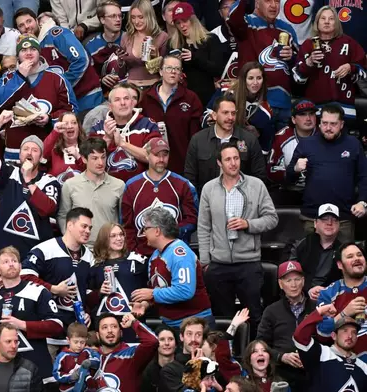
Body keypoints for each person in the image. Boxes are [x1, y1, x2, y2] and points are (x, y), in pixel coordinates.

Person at [198, 142, 278, 336]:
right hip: (218, 265)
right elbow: (203, 227)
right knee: (222, 316)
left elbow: (272, 219)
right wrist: (206, 262)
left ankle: (256, 354)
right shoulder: (209, 189)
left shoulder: (256, 185)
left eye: (236, 158)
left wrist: (248, 224)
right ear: (219, 162)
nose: (233, 163)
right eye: (228, 159)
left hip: (248, 263)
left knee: (253, 315)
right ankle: (225, 356)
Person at [0, 245, 64, 386]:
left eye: (14, 260)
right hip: (7, 374)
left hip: (38, 369)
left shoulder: (37, 291)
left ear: (20, 265)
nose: (11, 264)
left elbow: (56, 326)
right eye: (5, 262)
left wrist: (22, 325)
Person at [0, 113, 61, 261]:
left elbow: (47, 209)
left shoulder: (49, 181)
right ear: (20, 155)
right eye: (25, 149)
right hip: (1, 255)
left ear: (41, 158)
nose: (29, 152)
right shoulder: (9, 173)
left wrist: (29, 180)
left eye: (35, 150)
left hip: (31, 260)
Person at [286, 103, 367, 243]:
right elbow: (288, 178)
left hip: (343, 217)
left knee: (344, 261)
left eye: (333, 124)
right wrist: (295, 169)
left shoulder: (353, 144)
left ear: (341, 124)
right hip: (312, 217)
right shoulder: (307, 144)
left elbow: (364, 176)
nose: (328, 128)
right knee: (310, 261)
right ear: (319, 122)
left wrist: (363, 202)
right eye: (324, 123)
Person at [0, 33, 77, 161]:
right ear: (18, 55)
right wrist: (19, 77)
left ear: (39, 53)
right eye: (23, 50)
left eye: (33, 49)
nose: (29, 53)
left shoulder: (57, 79)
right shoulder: (7, 78)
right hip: (13, 153)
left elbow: (72, 111)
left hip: (46, 152)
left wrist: (50, 119)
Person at [131, 208, 213, 328]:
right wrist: (145, 304)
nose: (143, 233)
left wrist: (152, 294)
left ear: (157, 231)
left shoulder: (179, 253)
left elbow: (184, 291)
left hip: (195, 324)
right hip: (170, 325)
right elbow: (160, 290)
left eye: (146, 228)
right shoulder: (155, 255)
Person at [226, 0, 299, 130]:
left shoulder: (287, 29)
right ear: (257, 3)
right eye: (267, 1)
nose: (273, 5)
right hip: (254, 102)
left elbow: (300, 66)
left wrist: (291, 57)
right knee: (254, 147)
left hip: (284, 102)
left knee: (281, 148)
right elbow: (233, 17)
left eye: (276, 1)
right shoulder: (247, 23)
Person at [21, 208, 94, 332]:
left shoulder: (89, 256)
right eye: (84, 226)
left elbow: (87, 291)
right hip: (49, 329)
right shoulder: (44, 249)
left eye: (90, 228)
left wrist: (87, 313)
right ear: (70, 225)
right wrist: (53, 289)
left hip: (76, 335)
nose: (88, 231)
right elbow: (24, 278)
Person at [121, 137, 198, 255]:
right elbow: (127, 225)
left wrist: (168, 232)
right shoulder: (132, 186)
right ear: (146, 155)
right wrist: (133, 252)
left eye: (165, 155)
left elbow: (192, 219)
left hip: (174, 253)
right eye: (157, 155)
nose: (161, 159)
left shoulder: (182, 184)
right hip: (142, 255)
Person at [14, 9, 101, 112]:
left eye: (29, 21)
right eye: (21, 25)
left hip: (88, 96)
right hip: (67, 103)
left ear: (37, 21)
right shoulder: (32, 50)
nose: (26, 27)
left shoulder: (56, 34)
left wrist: (61, 86)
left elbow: (81, 60)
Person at [293, 6, 366, 121]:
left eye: (331, 19)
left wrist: (350, 67)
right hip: (316, 108)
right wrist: (309, 62)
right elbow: (297, 79)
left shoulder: (349, 42)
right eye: (323, 18)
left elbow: (364, 69)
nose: (327, 22)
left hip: (345, 107)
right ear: (317, 22)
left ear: (336, 23)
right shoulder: (308, 45)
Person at [184, 96, 266, 194]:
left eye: (233, 113)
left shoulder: (249, 140)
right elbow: (190, 177)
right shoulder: (198, 140)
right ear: (214, 115)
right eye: (225, 113)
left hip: (243, 201)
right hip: (208, 202)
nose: (230, 117)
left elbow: (259, 176)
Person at [256, 260, 315, 391]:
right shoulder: (271, 311)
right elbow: (260, 344)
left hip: (313, 370)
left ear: (303, 281)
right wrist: (282, 357)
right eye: (288, 281)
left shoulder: (316, 308)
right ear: (280, 284)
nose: (293, 285)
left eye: (297, 279)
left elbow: (327, 340)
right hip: (281, 373)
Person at [140, 55, 203, 175]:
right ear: (160, 71)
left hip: (182, 162)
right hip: (152, 162)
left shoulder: (191, 98)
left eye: (177, 69)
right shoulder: (146, 98)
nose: (173, 72)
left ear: (181, 74)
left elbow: (196, 135)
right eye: (169, 68)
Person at [58, 138, 125, 247]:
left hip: (109, 248)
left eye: (103, 157)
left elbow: (124, 220)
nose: (100, 162)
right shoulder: (70, 185)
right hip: (81, 248)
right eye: (94, 158)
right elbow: (63, 216)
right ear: (84, 159)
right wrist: (70, 238)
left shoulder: (119, 186)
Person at [89, 83, 161, 182]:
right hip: (106, 187)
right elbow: (89, 161)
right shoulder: (98, 127)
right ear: (110, 106)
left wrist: (122, 144)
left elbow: (155, 158)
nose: (123, 103)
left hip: (141, 185)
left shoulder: (148, 124)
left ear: (132, 103)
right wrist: (107, 138)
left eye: (126, 98)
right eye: (117, 100)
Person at [88, 223, 147, 342]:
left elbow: (149, 290)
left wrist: (144, 304)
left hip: (131, 320)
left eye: (121, 235)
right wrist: (100, 292)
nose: (119, 238)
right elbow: (87, 298)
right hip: (106, 325)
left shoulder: (138, 260)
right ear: (104, 239)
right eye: (113, 236)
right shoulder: (95, 265)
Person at [203, 62, 275, 154]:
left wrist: (257, 134)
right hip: (215, 146)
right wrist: (211, 121)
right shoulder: (225, 92)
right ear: (243, 79)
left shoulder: (265, 111)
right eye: (250, 78)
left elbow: (265, 147)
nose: (255, 82)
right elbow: (204, 118)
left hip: (242, 152)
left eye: (259, 78)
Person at [76, 312, 159, 392]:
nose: (110, 330)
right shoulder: (91, 358)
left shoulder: (131, 355)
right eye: (105, 327)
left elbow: (153, 341)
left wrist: (134, 322)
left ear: (121, 333)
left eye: (114, 326)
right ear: (97, 335)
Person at [293, 304, 367, 392]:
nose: (350, 336)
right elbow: (300, 336)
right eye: (345, 331)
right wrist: (319, 312)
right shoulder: (322, 353)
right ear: (334, 336)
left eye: (354, 332)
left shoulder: (363, 367)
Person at [315, 243, 367, 360]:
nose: (357, 258)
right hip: (343, 366)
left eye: (359, 255)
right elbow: (322, 335)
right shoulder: (328, 293)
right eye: (350, 257)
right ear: (340, 265)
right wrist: (344, 313)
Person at [167, 2, 223, 106]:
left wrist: (195, 58)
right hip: (182, 96)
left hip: (206, 96)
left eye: (184, 21)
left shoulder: (210, 40)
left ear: (193, 20)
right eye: (178, 23)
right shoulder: (173, 44)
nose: (182, 25)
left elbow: (218, 69)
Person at [288, 203, 342, 301]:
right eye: (324, 219)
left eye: (334, 220)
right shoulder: (301, 245)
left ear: (339, 225)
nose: (329, 223)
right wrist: (308, 290)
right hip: (300, 295)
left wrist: (327, 291)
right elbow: (289, 273)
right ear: (315, 223)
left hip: (332, 298)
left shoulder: (344, 250)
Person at [267, 99, 316, 189]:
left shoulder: (324, 135)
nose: (308, 118)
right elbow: (272, 171)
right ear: (293, 119)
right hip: (290, 191)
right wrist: (292, 171)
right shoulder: (282, 137)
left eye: (311, 113)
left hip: (318, 192)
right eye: (302, 114)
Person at [119, 0, 168, 88]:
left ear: (149, 16)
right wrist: (119, 61)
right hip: (130, 88)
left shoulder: (162, 37)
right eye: (133, 17)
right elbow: (121, 72)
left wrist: (156, 57)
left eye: (140, 17)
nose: (136, 21)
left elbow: (166, 70)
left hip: (154, 87)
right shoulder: (126, 37)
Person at [84, 1, 124, 92]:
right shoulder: (91, 46)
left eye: (120, 16)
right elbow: (88, 76)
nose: (118, 19)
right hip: (101, 95)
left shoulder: (130, 40)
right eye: (113, 16)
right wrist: (101, 79)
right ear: (102, 20)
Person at [42, 112, 87, 184]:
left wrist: (78, 157)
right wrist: (55, 132)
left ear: (79, 127)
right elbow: (42, 154)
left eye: (74, 123)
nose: (70, 126)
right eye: (66, 123)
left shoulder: (87, 147)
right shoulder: (54, 150)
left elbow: (92, 172)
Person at [52, 322, 88, 390]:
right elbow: (56, 373)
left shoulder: (86, 353)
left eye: (82, 342)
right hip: (68, 389)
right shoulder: (62, 356)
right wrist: (71, 377)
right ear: (68, 340)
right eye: (76, 342)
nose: (79, 345)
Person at [141, 326, 177, 392]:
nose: (167, 343)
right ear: (156, 344)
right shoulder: (147, 372)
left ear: (176, 344)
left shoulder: (183, 368)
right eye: (162, 339)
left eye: (170, 339)